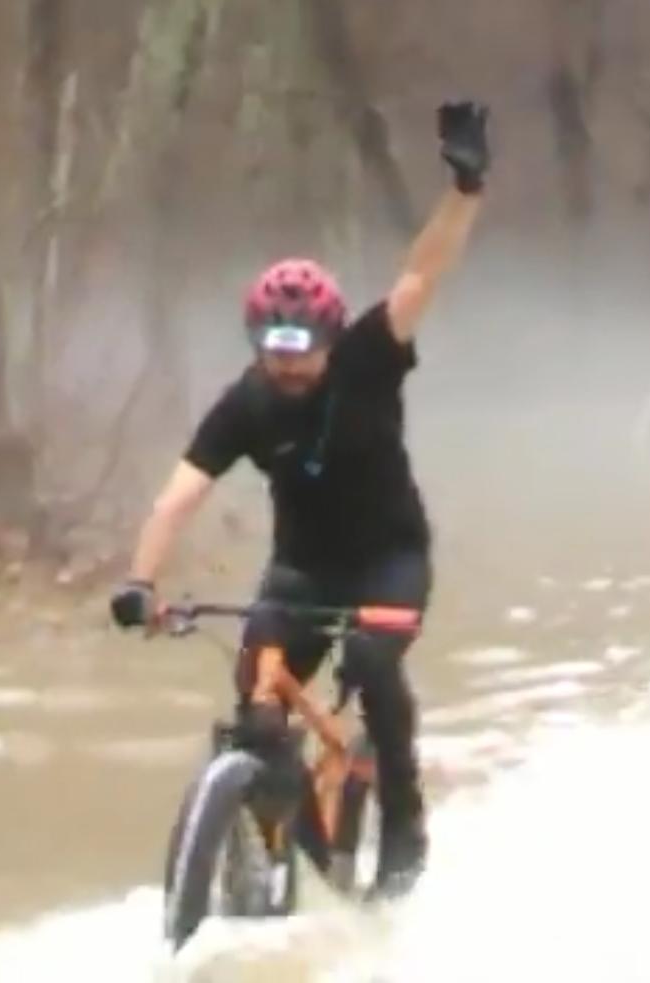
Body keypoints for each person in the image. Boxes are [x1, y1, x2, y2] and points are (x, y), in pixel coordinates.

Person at [109, 99, 491, 896]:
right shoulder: (247, 402)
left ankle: (404, 821)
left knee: (371, 660)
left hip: (389, 560)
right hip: (303, 570)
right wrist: (140, 582)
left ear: (329, 339)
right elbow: (179, 494)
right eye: (273, 351)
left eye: (302, 352)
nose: (287, 368)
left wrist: (464, 191)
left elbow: (423, 272)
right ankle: (270, 849)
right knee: (256, 692)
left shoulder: (368, 358)